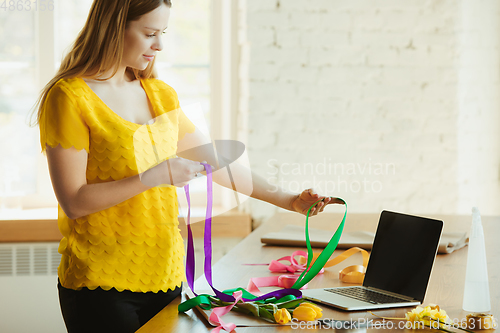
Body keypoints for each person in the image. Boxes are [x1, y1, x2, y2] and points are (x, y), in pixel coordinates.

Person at [30, 1, 343, 332]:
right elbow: (75, 201)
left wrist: (289, 199)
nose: (159, 45)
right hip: (100, 286)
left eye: (162, 33)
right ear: (113, 27)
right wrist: (154, 176)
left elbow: (215, 162)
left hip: (165, 279)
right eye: (149, 33)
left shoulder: (162, 94)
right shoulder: (68, 97)